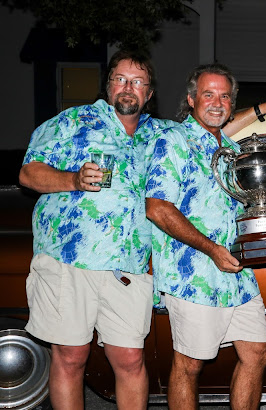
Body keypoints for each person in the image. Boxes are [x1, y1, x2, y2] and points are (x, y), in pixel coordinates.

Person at [145, 63, 266, 410]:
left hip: (237, 271)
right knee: (190, 364)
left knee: (257, 352)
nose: (217, 103)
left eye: (225, 96)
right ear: (191, 99)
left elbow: (253, 203)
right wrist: (212, 249)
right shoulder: (173, 140)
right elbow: (157, 208)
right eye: (208, 95)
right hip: (193, 273)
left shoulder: (229, 147)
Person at [18, 50, 164, 410]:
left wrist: (259, 110)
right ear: (108, 85)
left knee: (130, 358)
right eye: (120, 79)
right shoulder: (73, 121)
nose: (128, 87)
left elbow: (208, 131)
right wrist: (73, 179)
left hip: (128, 265)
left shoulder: (159, 134)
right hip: (70, 258)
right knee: (71, 356)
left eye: (137, 82)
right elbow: (29, 173)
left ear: (149, 93)